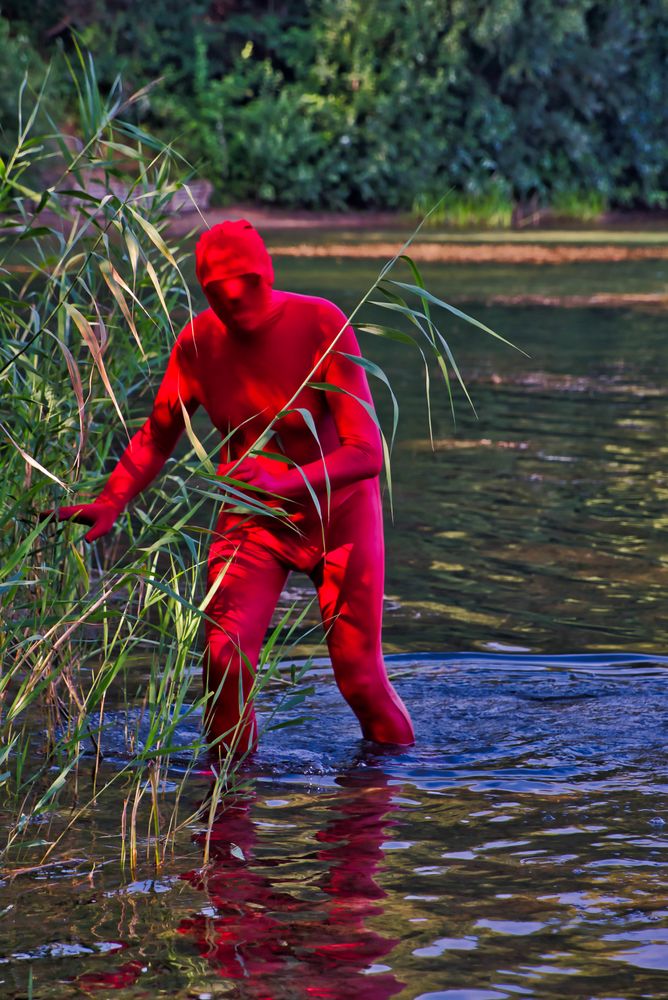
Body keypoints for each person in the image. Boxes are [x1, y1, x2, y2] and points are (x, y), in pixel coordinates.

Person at [53, 220, 415, 753]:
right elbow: (158, 434)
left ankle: (390, 792)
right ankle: (226, 804)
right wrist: (112, 500)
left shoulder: (321, 323)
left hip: (339, 517)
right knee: (223, 667)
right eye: (220, 292)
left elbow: (366, 454)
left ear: (267, 275)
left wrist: (286, 479)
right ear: (206, 292)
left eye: (249, 284)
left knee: (359, 679)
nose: (237, 300)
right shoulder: (198, 345)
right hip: (252, 518)